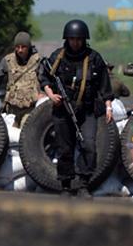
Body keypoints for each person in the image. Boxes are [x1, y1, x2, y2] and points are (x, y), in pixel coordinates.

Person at [39, 18, 115, 198]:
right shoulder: (57, 57)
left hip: (87, 110)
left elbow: (104, 85)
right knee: (64, 148)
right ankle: (65, 186)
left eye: (79, 39)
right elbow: (45, 79)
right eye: (72, 39)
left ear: (84, 40)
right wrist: (51, 95)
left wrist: (108, 106)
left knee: (88, 145)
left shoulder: (94, 58)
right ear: (67, 39)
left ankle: (83, 184)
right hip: (62, 110)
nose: (75, 43)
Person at [0, 30, 42, 127]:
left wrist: (43, 93)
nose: (20, 50)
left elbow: (45, 80)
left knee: (25, 131)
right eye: (17, 47)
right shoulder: (8, 60)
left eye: (23, 47)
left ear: (29, 46)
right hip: (12, 110)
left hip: (31, 109)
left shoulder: (38, 61)